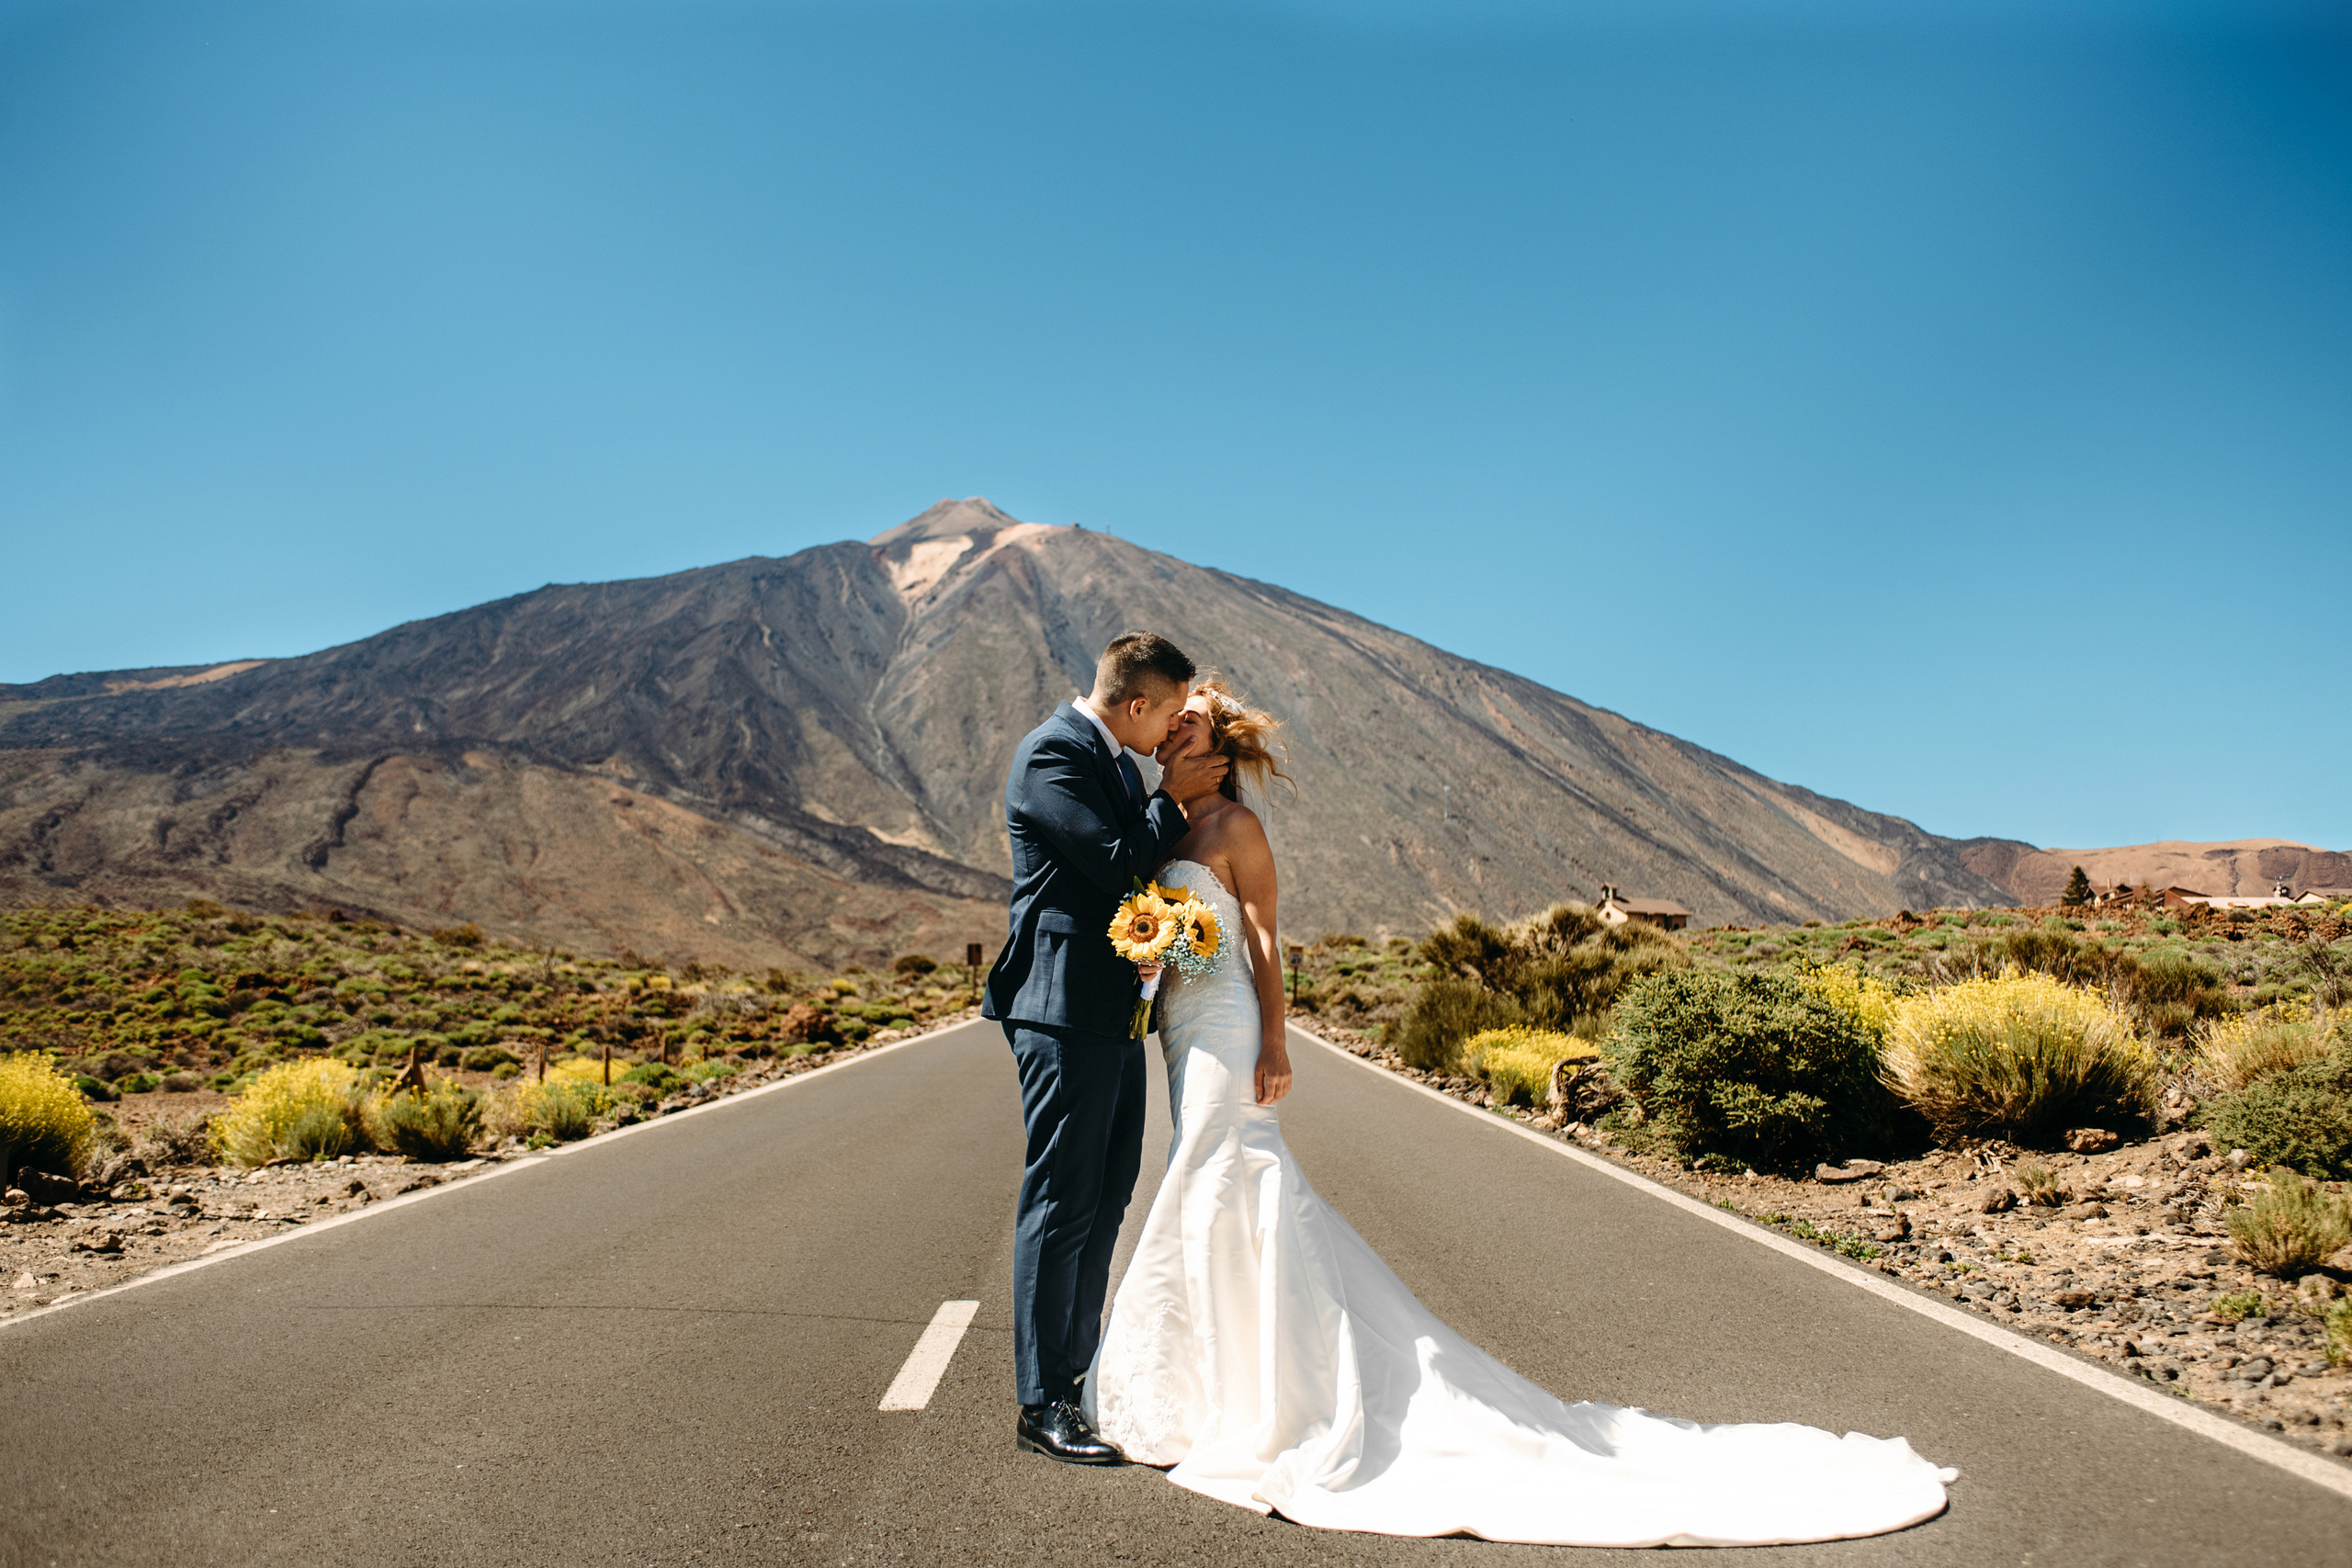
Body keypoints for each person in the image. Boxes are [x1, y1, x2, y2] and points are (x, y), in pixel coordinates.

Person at [1080, 680, 1959, 1547]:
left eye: (1185, 726)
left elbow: (1267, 941)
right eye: (1170, 725)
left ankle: (1260, 1396)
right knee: (1207, 1178)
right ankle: (1213, 1385)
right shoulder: (1171, 824)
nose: (1167, 736)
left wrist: (1277, 1041)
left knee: (1219, 1168)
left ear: (1220, 750)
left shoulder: (1236, 827)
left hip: (1232, 1024)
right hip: (1184, 1022)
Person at [983, 631, 1229, 1464]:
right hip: (1061, 1012)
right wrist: (1178, 795)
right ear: (1134, 704)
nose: (1168, 734)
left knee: (1108, 1194)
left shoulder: (1119, 761)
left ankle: (1077, 1376)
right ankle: (1040, 1400)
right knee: (1060, 1200)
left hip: (1117, 1011)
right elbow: (1116, 861)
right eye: (1165, 715)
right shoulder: (1053, 754)